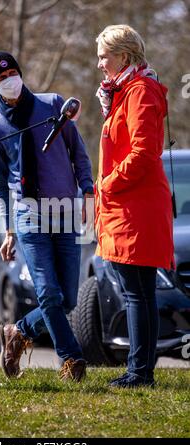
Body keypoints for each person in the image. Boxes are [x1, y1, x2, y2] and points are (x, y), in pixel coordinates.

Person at [0, 51, 94, 382]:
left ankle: (17, 331)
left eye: (12, 73)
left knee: (68, 300)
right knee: (49, 294)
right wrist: (9, 231)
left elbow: (79, 154)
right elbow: (0, 185)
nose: (9, 80)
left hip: (65, 213)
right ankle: (72, 359)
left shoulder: (53, 105)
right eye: (1, 79)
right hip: (29, 217)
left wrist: (87, 192)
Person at [95, 25, 174, 388]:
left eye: (103, 57)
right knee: (139, 293)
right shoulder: (124, 91)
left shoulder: (139, 91)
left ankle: (139, 372)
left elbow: (143, 153)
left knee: (136, 293)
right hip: (128, 206)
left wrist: (107, 185)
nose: (99, 64)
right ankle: (141, 370)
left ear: (123, 57)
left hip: (134, 208)